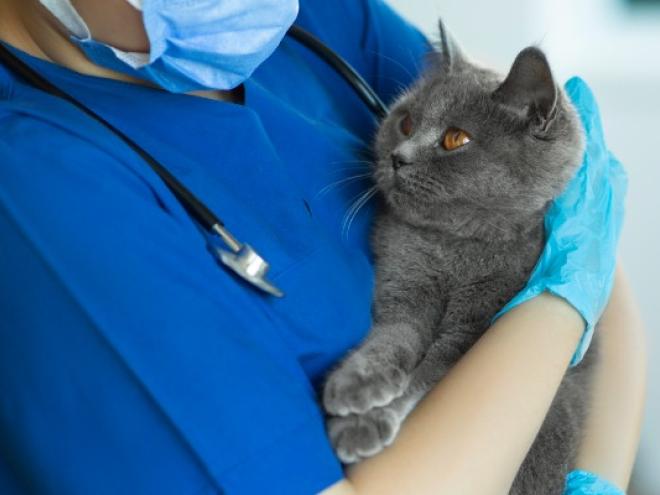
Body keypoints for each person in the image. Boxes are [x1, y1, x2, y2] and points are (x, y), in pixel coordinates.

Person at [0, 0, 646, 494]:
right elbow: (575, 251)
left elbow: (590, 244)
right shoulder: (41, 192)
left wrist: (595, 478)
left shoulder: (308, 20)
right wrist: (560, 302)